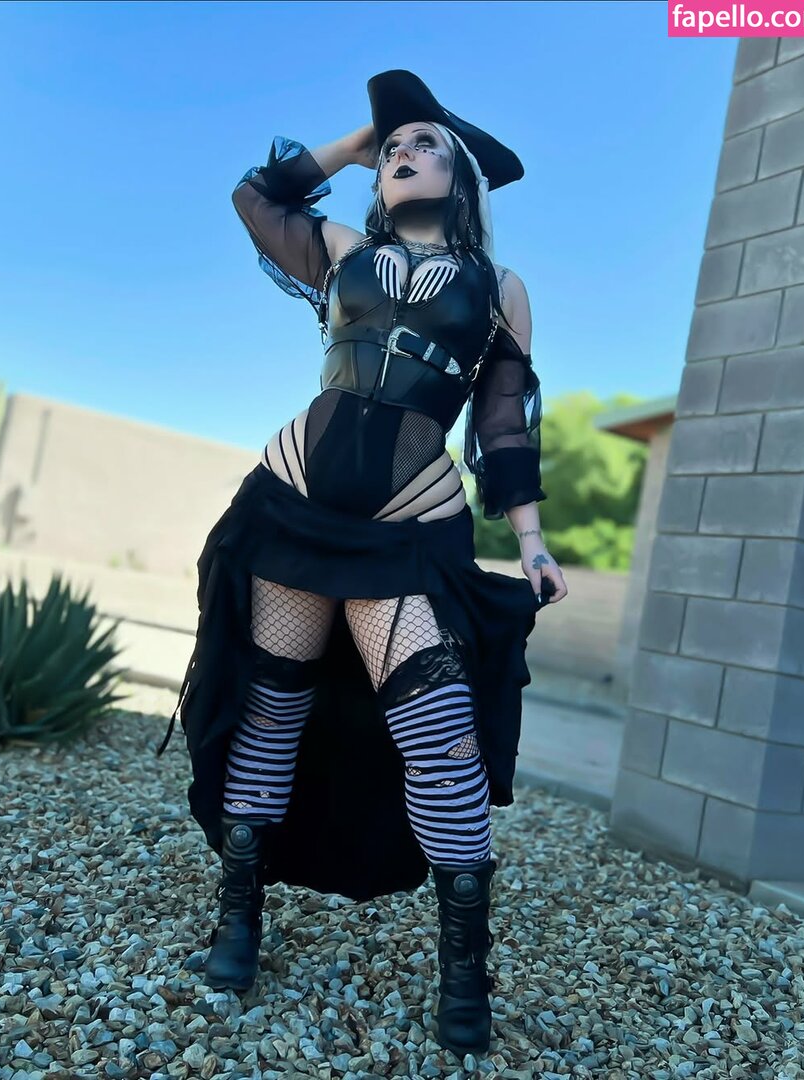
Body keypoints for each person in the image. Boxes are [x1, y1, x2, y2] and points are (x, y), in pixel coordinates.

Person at [156, 70, 568, 1059]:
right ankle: (238, 921)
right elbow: (255, 198)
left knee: (440, 735)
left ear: (461, 176)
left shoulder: (498, 288)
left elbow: (502, 424)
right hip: (293, 508)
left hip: (403, 530)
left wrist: (530, 540)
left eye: (424, 144)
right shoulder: (343, 251)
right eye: (392, 151)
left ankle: (463, 969)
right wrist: (354, 141)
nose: (402, 155)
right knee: (272, 710)